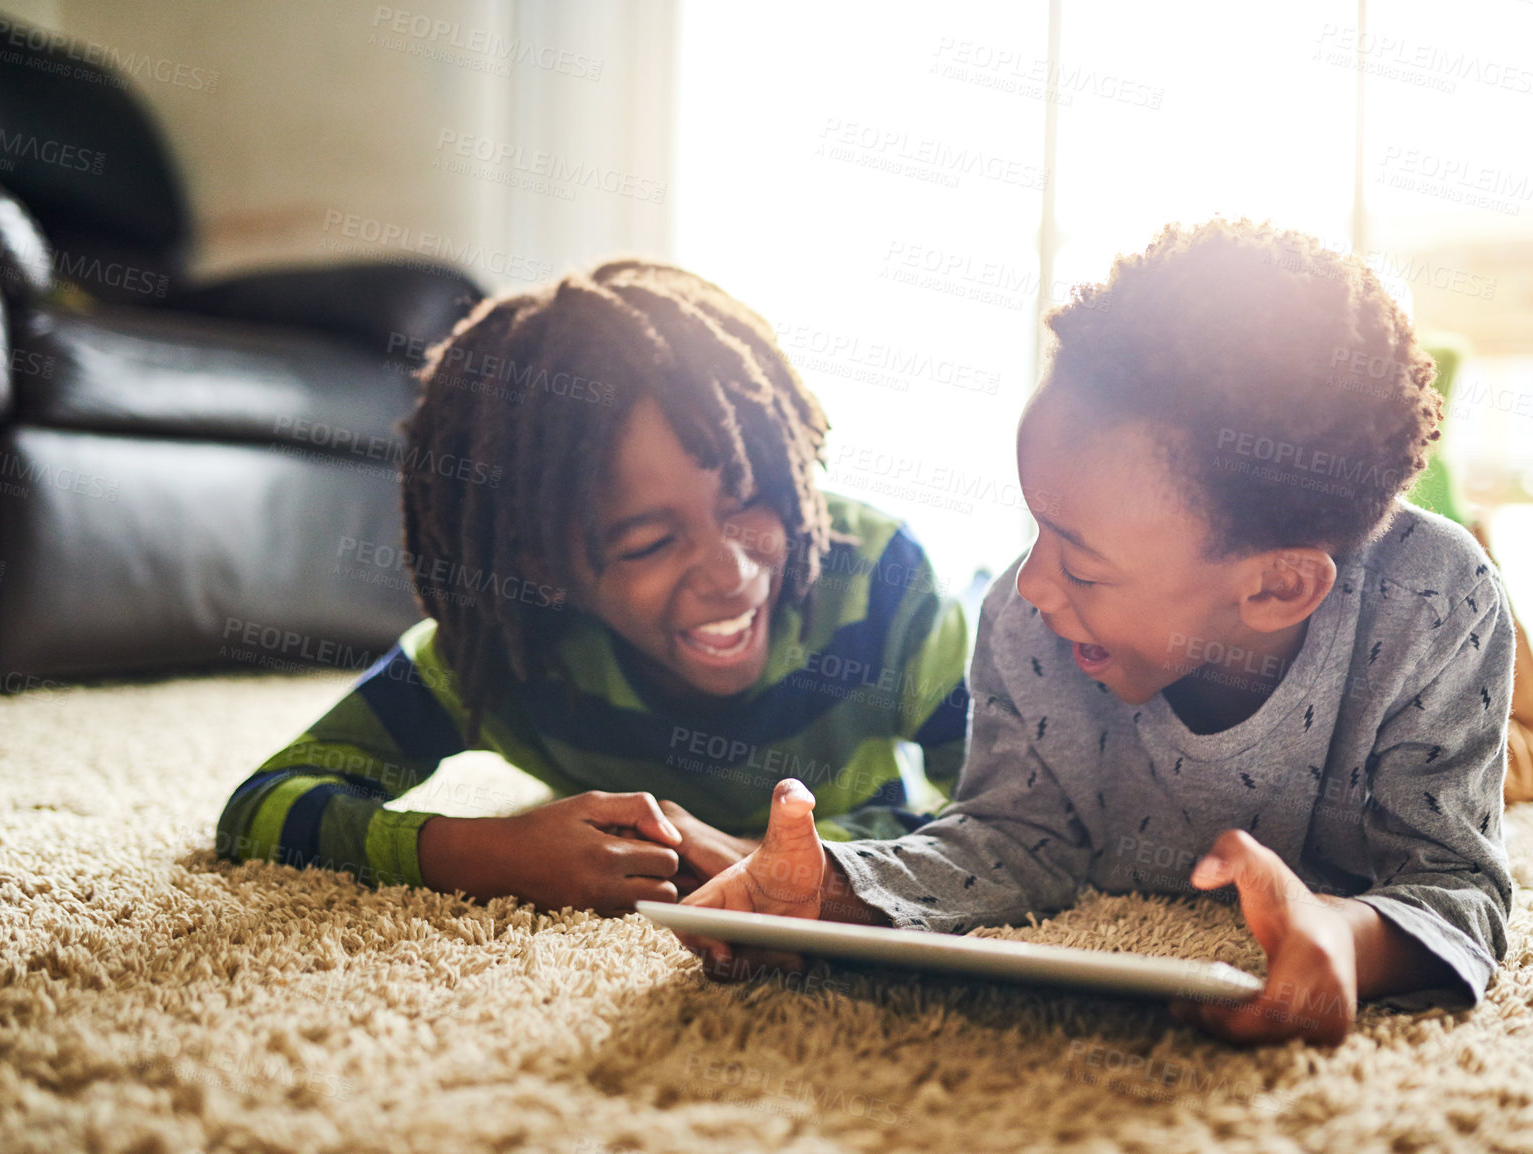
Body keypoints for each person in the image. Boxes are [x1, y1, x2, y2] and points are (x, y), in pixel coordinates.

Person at [674, 222, 1516, 1047]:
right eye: (1038, 527)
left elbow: (1453, 883)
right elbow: (1011, 837)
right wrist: (830, 891)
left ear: (1275, 585)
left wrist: (1343, 937)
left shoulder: (1435, 603)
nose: (1033, 585)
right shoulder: (1029, 622)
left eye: (1081, 563)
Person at [216, 260, 970, 916]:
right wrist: (484, 855)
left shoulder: (882, 584)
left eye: (747, 497)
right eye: (650, 542)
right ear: (542, 565)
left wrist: (782, 857)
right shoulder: (506, 652)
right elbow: (263, 807)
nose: (729, 573)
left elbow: (1008, 819)